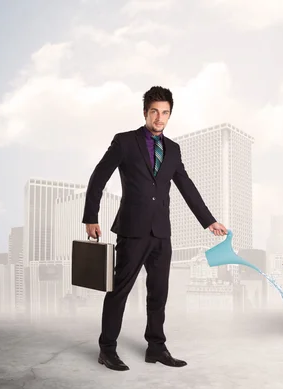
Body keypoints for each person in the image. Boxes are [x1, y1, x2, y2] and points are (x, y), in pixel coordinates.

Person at [82, 86, 228, 371]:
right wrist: (91, 217)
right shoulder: (124, 142)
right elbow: (98, 177)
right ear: (145, 112)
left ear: (170, 114)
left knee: (158, 293)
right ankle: (107, 349)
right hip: (132, 231)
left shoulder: (172, 149)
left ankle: (156, 348)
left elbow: (186, 185)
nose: (159, 118)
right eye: (154, 112)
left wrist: (208, 220)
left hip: (162, 233)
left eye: (165, 113)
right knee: (119, 292)